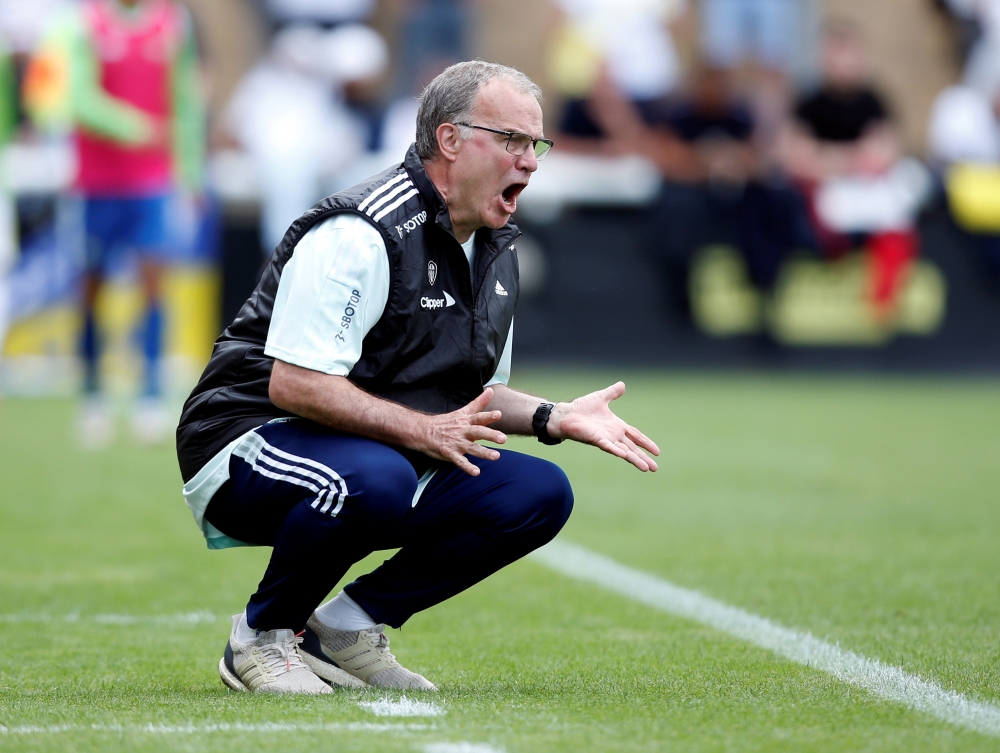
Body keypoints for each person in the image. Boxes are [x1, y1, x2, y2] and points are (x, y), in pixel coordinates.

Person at [176, 61, 660, 695]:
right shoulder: (361, 230)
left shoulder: (496, 246)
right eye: (511, 139)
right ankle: (260, 637)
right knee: (378, 477)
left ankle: (344, 629)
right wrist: (421, 430)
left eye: (535, 144)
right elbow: (294, 385)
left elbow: (474, 397)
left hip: (372, 448)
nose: (531, 161)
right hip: (245, 438)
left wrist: (554, 417)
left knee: (536, 492)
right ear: (450, 140)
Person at [30, 0, 205, 446]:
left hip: (153, 180)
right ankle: (93, 393)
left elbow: (183, 98)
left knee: (153, 283)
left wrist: (191, 173)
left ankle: (149, 394)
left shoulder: (172, 21)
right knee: (92, 288)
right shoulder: (82, 22)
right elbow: (75, 95)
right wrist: (132, 126)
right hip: (96, 181)